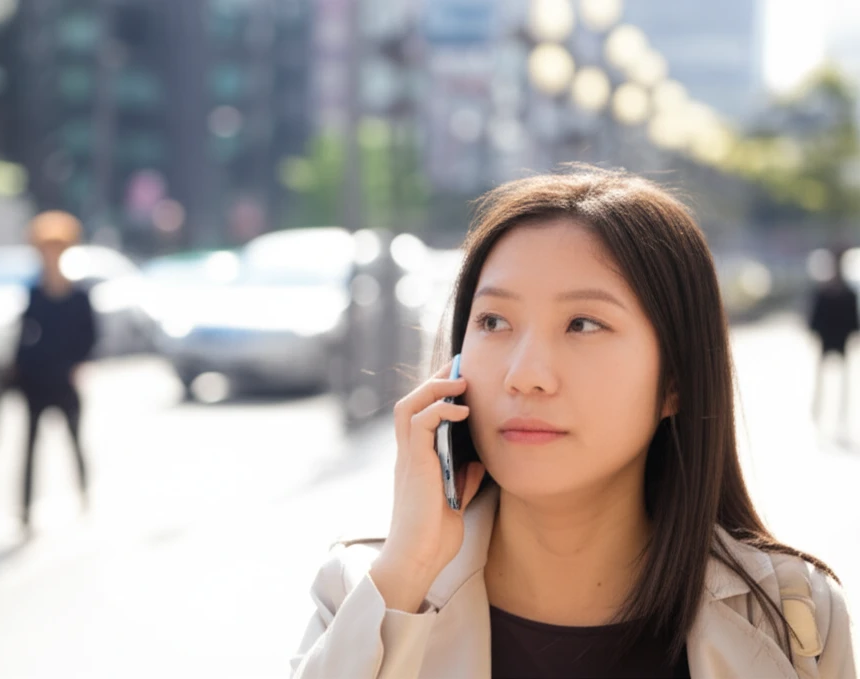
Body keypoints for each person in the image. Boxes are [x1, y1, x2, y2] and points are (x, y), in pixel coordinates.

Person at [290, 169, 855, 678]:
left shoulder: (793, 613)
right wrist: (407, 572)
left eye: (583, 323)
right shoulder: (364, 590)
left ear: (675, 381)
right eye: (493, 321)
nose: (525, 375)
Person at [11, 210, 97, 532]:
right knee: (30, 445)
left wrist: (79, 365)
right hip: (36, 378)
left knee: (74, 440)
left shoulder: (79, 296)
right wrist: (17, 368)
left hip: (65, 378)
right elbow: (23, 335)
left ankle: (84, 492)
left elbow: (90, 337)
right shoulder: (35, 293)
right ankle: (25, 510)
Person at [808, 248, 859, 433]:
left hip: (839, 340)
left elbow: (853, 322)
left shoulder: (847, 293)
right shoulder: (825, 292)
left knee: (841, 382)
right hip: (828, 340)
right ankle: (818, 412)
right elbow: (815, 319)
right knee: (822, 380)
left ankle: (839, 417)